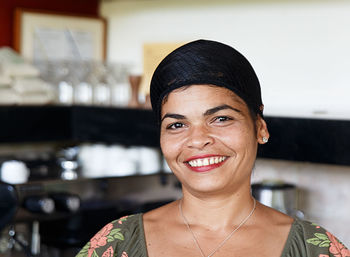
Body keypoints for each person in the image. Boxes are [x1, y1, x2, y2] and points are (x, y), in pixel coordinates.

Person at [76, 39, 349, 257]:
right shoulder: (116, 243)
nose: (197, 139)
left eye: (221, 119)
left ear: (260, 127)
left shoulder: (314, 248)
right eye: (176, 125)